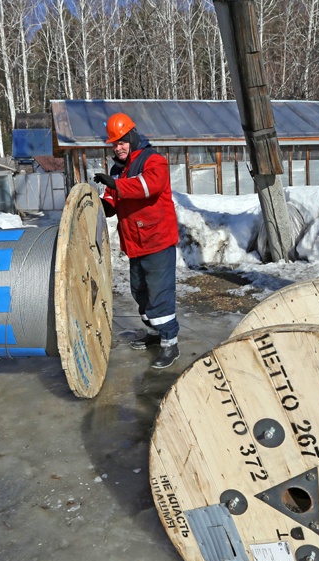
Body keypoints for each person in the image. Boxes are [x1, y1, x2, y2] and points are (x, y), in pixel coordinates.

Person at [93, 113, 181, 370]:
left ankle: (170, 343)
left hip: (157, 240)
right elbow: (112, 199)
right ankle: (155, 333)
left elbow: (148, 187)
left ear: (132, 137)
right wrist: (101, 204)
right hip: (135, 242)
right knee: (139, 291)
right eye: (114, 143)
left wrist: (117, 185)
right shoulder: (117, 170)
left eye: (121, 141)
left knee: (159, 293)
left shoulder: (153, 161)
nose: (118, 147)